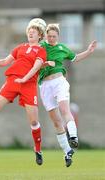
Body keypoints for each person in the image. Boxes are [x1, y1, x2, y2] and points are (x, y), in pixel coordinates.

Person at [0, 18, 52, 166]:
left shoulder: (41, 51)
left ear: (40, 35)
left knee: (34, 121)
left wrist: (25, 78)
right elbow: (6, 62)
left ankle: (37, 150)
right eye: (29, 31)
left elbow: (36, 67)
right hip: (12, 81)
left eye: (35, 31)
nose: (31, 32)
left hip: (28, 84)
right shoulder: (20, 47)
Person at [39, 23, 97, 167]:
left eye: (54, 36)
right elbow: (33, 64)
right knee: (56, 122)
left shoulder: (62, 48)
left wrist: (89, 51)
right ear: (45, 36)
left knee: (65, 111)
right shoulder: (40, 47)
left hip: (59, 81)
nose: (51, 38)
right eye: (49, 36)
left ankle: (73, 137)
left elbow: (75, 58)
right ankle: (67, 152)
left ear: (58, 36)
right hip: (45, 86)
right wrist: (46, 64)